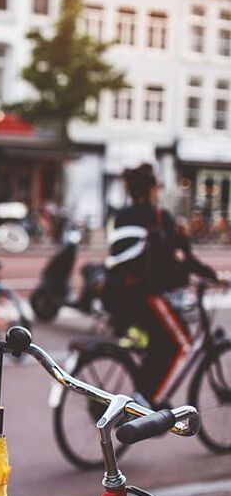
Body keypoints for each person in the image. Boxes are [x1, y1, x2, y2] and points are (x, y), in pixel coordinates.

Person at [103, 163, 218, 407]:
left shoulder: (122, 215)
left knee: (160, 343)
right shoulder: (156, 218)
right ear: (150, 189)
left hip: (118, 295)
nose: (160, 191)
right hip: (145, 296)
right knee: (182, 342)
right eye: (158, 186)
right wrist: (211, 275)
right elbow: (177, 257)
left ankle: (143, 393)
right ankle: (148, 402)